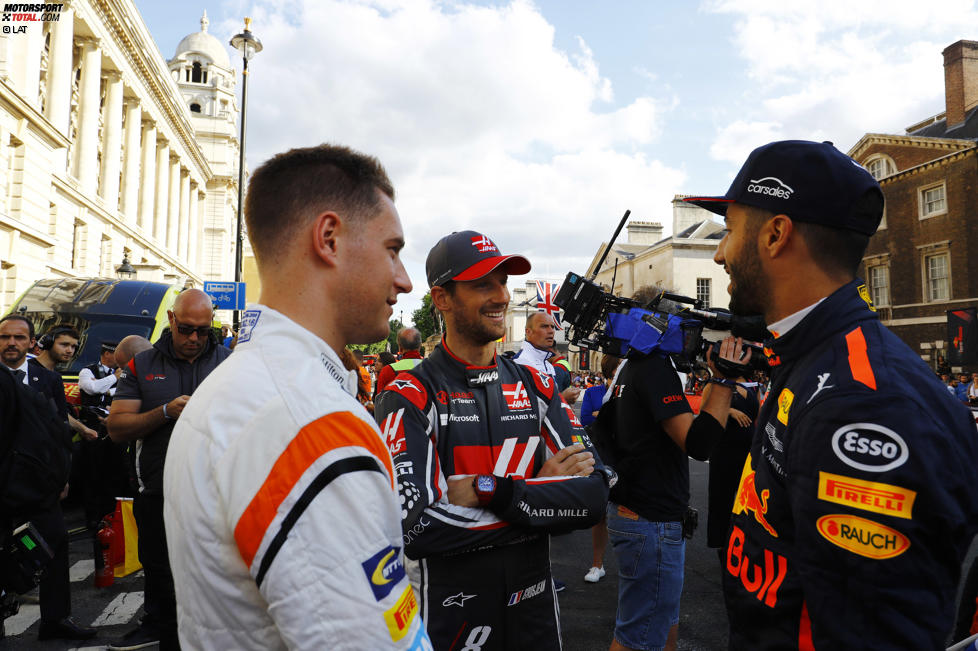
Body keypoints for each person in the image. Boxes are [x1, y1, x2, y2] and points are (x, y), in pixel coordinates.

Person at [684, 139, 978, 649]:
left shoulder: (866, 403)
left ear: (776, 234)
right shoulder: (812, 356)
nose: (720, 252)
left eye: (730, 231)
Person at [162, 144, 427, 650]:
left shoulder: (240, 386)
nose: (403, 279)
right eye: (392, 249)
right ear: (328, 238)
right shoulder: (308, 419)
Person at [375, 230, 611, 651]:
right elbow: (417, 529)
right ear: (442, 298)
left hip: (535, 618)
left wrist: (492, 490)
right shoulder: (408, 396)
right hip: (447, 622)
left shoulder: (537, 385)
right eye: (483, 283)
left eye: (502, 282)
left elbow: (593, 498)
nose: (501, 295)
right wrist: (541, 498)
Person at [601, 285, 748, 651]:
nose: (689, 336)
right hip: (650, 519)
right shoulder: (653, 368)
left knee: (659, 621)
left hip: (640, 513)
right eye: (682, 325)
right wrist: (725, 379)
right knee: (640, 635)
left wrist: (717, 379)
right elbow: (698, 443)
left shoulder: (632, 364)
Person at [106, 289, 231, 651]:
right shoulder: (142, 366)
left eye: (203, 331)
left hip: (215, 495)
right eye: (187, 329)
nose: (194, 339)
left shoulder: (228, 363)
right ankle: (163, 632)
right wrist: (164, 413)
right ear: (172, 320)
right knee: (162, 577)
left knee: (214, 582)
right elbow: (116, 428)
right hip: (159, 493)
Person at [0, 315, 96, 641]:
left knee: (54, 544)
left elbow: (59, 430)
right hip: (3, 484)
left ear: (30, 343)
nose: (11, 343)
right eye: (4, 337)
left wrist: (63, 476)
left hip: (39, 485)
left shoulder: (47, 379)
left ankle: (55, 619)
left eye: (18, 337)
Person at [704, 374, 759, 553]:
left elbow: (757, 417)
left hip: (749, 450)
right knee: (721, 499)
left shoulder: (754, 386)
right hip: (724, 448)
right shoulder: (716, 384)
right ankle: (721, 545)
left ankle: (746, 545)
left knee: (750, 501)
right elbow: (705, 410)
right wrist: (729, 410)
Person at [580, 354, 621, 584]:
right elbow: (585, 417)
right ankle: (597, 564)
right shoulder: (594, 392)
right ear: (609, 371)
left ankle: (630, 565)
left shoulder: (627, 390)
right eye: (616, 370)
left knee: (628, 511)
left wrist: (602, 416)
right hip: (601, 454)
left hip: (626, 455)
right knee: (601, 514)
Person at [77, 341, 125, 527]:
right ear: (107, 354)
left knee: (115, 473)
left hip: (116, 430)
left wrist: (105, 388)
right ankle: (93, 517)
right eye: (116, 354)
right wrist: (113, 380)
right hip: (93, 430)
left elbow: (122, 391)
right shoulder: (87, 371)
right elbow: (91, 389)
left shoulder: (124, 372)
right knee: (92, 473)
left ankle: (112, 514)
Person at [34, 326, 98, 443]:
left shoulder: (55, 376)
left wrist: (83, 429)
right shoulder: (29, 369)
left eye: (73, 346)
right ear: (48, 343)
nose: (70, 350)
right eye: (64, 345)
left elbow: (60, 412)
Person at [514, 311, 581, 405]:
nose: (551, 331)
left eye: (552, 327)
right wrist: (562, 399)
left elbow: (550, 398)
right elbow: (522, 407)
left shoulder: (548, 365)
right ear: (528, 331)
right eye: (544, 326)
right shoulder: (519, 363)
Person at [375, 327, 423, 393]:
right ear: (420, 346)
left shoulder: (388, 370)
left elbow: (380, 400)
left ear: (400, 348)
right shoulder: (433, 368)